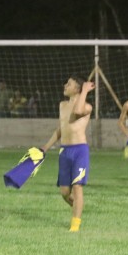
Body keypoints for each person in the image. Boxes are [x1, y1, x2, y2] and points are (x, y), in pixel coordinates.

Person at [40, 76, 94, 232]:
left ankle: (75, 226)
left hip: (80, 151)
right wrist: (46, 147)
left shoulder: (87, 107)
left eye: (69, 84)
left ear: (77, 89)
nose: (65, 85)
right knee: (64, 193)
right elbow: (60, 129)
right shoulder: (62, 105)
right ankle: (78, 208)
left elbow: (77, 111)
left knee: (77, 187)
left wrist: (85, 91)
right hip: (64, 151)